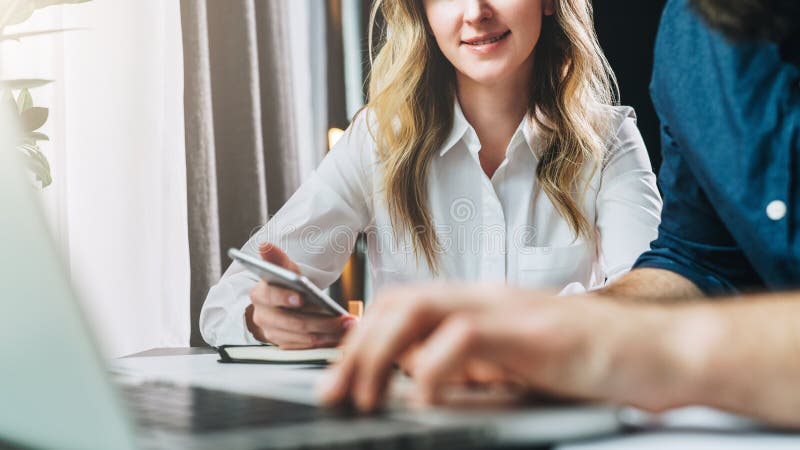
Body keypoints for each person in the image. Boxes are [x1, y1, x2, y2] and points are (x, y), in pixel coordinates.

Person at [319, 0, 800, 428]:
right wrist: (542, 330)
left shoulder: (611, 135)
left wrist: (610, 345)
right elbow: (698, 261)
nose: (474, 11)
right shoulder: (688, 32)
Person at [199, 0, 662, 349]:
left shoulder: (609, 140)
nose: (476, 12)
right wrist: (265, 320)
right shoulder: (379, 140)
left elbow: (657, 299)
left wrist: (493, 330)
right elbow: (224, 307)